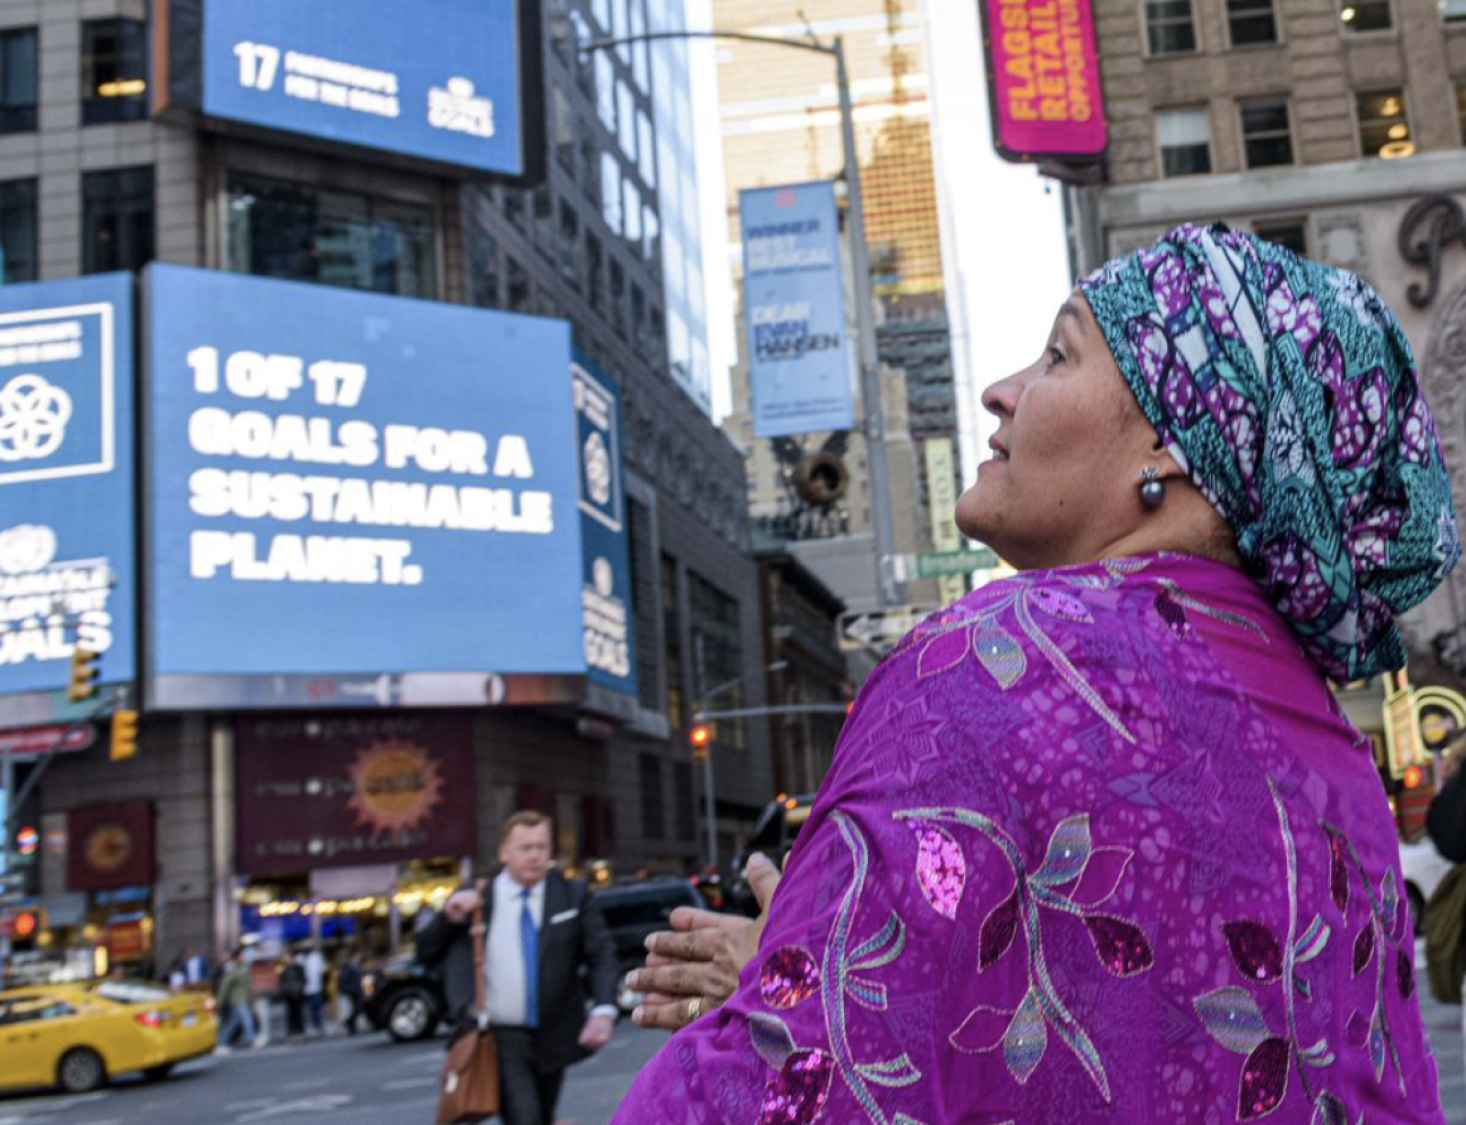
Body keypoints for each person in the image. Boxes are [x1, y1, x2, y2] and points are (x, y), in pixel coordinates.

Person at [617, 224, 1457, 1124]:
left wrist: (802, 993)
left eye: (1059, 355)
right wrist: (815, 966)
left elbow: (781, 1093)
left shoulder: (995, 662)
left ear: (1171, 440)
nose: (1001, 390)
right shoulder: (1331, 747)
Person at [417, 811, 620, 1125]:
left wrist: (603, 1010)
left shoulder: (571, 894)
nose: (534, 856)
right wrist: (450, 916)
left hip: (555, 1030)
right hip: (499, 1033)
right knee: (525, 1116)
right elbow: (426, 950)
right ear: (504, 853)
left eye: (541, 847)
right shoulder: (480, 894)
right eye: (525, 848)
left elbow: (600, 953)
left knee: (541, 1113)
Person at [215, 951, 258, 1054]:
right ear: (236, 958)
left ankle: (222, 1041)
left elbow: (248, 984)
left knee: (233, 1023)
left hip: (244, 999)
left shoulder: (243, 968)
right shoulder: (233, 970)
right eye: (241, 956)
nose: (243, 958)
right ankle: (252, 1040)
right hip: (238, 1000)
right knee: (247, 1019)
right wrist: (220, 1001)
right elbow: (225, 986)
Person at [300, 942, 328, 1037]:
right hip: (308, 988)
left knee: (316, 1007)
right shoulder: (304, 959)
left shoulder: (317, 958)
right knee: (312, 1008)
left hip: (316, 987)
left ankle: (318, 1025)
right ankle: (315, 1025)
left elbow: (322, 971)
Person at [277, 952, 306, 1039]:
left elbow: (303, 979)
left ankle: (300, 1031)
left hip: (297, 993)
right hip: (288, 994)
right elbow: (281, 980)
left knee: (298, 1013)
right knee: (290, 1014)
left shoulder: (298, 967)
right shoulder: (283, 968)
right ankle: (292, 1031)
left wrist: (299, 988)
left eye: (287, 957)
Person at [338, 948, 367, 1035]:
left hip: (358, 990)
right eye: (357, 955)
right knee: (356, 1008)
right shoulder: (348, 966)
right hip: (352, 991)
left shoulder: (358, 965)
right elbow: (344, 979)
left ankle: (350, 1023)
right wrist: (347, 989)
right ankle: (350, 1023)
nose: (359, 957)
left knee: (358, 1008)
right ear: (353, 956)